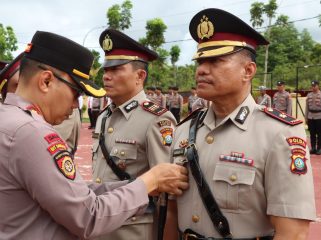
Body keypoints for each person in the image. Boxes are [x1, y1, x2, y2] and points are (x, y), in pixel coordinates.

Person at [0, 31, 188, 240]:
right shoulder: (32, 132)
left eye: (116, 69)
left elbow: (167, 202)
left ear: (140, 76)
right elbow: (88, 215)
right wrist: (149, 182)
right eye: (75, 93)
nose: (74, 105)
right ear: (45, 81)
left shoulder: (8, 119)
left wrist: (141, 185)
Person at [171, 8, 315, 240]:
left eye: (215, 60)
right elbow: (171, 214)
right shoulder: (184, 130)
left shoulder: (279, 133)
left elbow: (293, 232)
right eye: (200, 61)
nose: (201, 70)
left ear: (248, 71)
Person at [92, 28, 178, 240]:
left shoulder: (156, 119)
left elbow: (166, 191)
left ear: (140, 76)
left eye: (116, 70)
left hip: (133, 231)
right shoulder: (104, 116)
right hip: (99, 226)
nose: (107, 77)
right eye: (105, 71)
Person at [305, 80, 321, 155]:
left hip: (319, 116)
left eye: (314, 86)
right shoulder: (309, 95)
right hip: (311, 116)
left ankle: (319, 148)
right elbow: (307, 107)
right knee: (312, 133)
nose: (313, 87)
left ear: (318, 86)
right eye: (312, 86)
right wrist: (306, 117)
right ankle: (313, 148)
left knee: (319, 133)